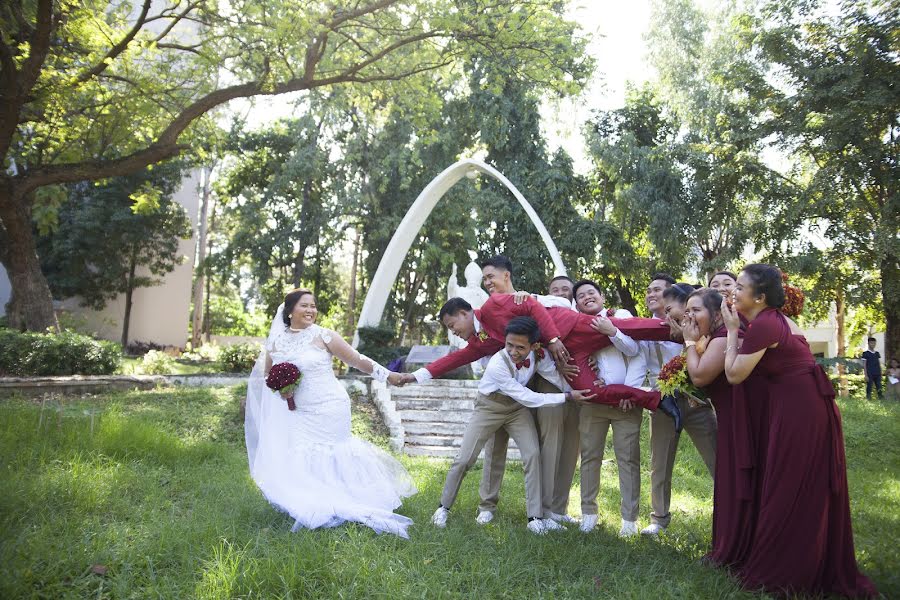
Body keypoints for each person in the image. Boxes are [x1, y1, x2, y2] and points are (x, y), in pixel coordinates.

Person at [721, 265, 877, 597]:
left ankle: (786, 571)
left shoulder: (764, 324)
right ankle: (804, 560)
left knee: (788, 485)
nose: (733, 292)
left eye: (740, 287)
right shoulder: (771, 320)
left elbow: (734, 375)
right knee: (795, 483)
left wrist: (732, 330)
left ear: (760, 297)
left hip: (800, 412)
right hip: (801, 407)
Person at [244, 289, 416, 538]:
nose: (311, 310)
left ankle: (347, 497)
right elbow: (268, 375)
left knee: (333, 450)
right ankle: (312, 501)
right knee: (303, 452)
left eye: (313, 306)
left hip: (329, 406)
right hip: (298, 411)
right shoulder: (275, 342)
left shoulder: (323, 336)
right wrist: (281, 389)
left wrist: (387, 375)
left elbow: (357, 360)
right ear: (290, 310)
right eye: (305, 305)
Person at [431, 317, 595, 534]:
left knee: (533, 454)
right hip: (490, 407)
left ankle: (535, 517)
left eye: (520, 347)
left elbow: (556, 377)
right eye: (509, 345)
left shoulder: (540, 355)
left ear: (534, 345)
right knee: (465, 458)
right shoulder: (498, 364)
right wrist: (567, 397)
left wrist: (588, 387)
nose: (514, 351)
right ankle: (443, 508)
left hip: (517, 410)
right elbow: (528, 396)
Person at [679, 287, 751, 566]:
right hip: (729, 414)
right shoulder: (712, 338)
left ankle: (733, 549)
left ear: (716, 313)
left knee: (734, 481)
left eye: (696, 310)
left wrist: (688, 342)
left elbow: (698, 375)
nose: (690, 316)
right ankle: (731, 545)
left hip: (739, 417)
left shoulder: (722, 340)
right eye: (687, 311)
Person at [640, 282, 718, 537]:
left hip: (698, 401)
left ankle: (729, 513)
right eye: (650, 291)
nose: (655, 296)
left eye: (662, 293)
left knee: (717, 457)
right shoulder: (646, 327)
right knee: (659, 461)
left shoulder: (699, 326)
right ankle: (659, 518)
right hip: (663, 401)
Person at [569, 279, 645, 536]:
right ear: (576, 303)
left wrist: (630, 391)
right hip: (594, 404)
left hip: (627, 402)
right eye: (581, 296)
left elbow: (636, 352)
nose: (587, 297)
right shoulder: (576, 327)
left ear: (601, 296)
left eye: (592, 292)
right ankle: (588, 514)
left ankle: (629, 520)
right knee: (590, 457)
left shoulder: (619, 316)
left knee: (628, 458)